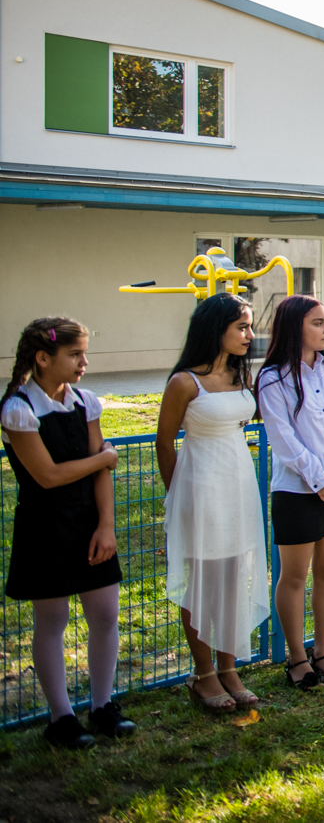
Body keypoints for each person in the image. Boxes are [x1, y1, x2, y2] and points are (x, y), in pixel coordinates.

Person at [1, 317, 133, 748]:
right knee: (52, 620)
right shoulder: (19, 409)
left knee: (105, 615)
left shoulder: (86, 401)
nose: (84, 362)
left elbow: (99, 472)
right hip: (45, 526)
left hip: (89, 523)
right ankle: (61, 718)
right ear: (43, 358)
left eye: (84, 353)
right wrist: (105, 458)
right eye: (75, 354)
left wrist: (106, 526)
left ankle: (101, 706)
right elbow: (49, 476)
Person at [156, 294, 270, 714]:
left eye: (250, 326)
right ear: (215, 328)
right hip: (201, 484)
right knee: (203, 581)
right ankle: (203, 673)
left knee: (232, 576)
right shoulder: (184, 382)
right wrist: (177, 495)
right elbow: (164, 442)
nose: (249, 335)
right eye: (241, 327)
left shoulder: (241, 374)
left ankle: (229, 666)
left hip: (238, 481)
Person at [256, 295, 324, 688]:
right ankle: (297, 658)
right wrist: (320, 480)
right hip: (298, 491)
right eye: (318, 323)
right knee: (295, 575)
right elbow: (282, 439)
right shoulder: (273, 378)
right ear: (295, 326)